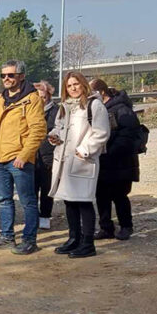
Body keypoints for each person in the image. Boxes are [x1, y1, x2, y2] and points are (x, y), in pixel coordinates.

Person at [0, 60, 47, 254]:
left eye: (10, 75)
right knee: (4, 199)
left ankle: (29, 240)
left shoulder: (32, 99)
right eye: (3, 76)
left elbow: (38, 130)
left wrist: (25, 155)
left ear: (21, 76)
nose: (6, 79)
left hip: (18, 159)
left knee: (27, 201)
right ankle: (7, 235)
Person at [47, 72, 110, 258]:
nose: (73, 88)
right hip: (65, 161)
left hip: (83, 160)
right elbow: (59, 126)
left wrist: (85, 149)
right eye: (69, 85)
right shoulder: (65, 107)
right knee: (69, 201)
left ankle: (87, 243)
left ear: (83, 85)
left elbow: (101, 132)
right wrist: (54, 136)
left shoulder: (94, 105)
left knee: (83, 201)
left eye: (76, 84)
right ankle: (73, 238)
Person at [90, 78, 141, 241]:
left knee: (120, 195)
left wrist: (110, 150)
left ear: (102, 92)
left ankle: (126, 226)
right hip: (102, 160)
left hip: (121, 161)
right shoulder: (97, 109)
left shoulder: (122, 109)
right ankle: (106, 227)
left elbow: (129, 134)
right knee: (101, 195)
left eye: (91, 92)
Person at [33, 81, 59, 230]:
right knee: (31, 188)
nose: (40, 100)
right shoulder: (30, 111)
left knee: (47, 188)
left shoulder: (56, 111)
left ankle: (45, 215)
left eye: (43, 97)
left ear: (49, 96)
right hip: (31, 155)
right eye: (37, 97)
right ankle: (33, 214)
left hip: (48, 154)